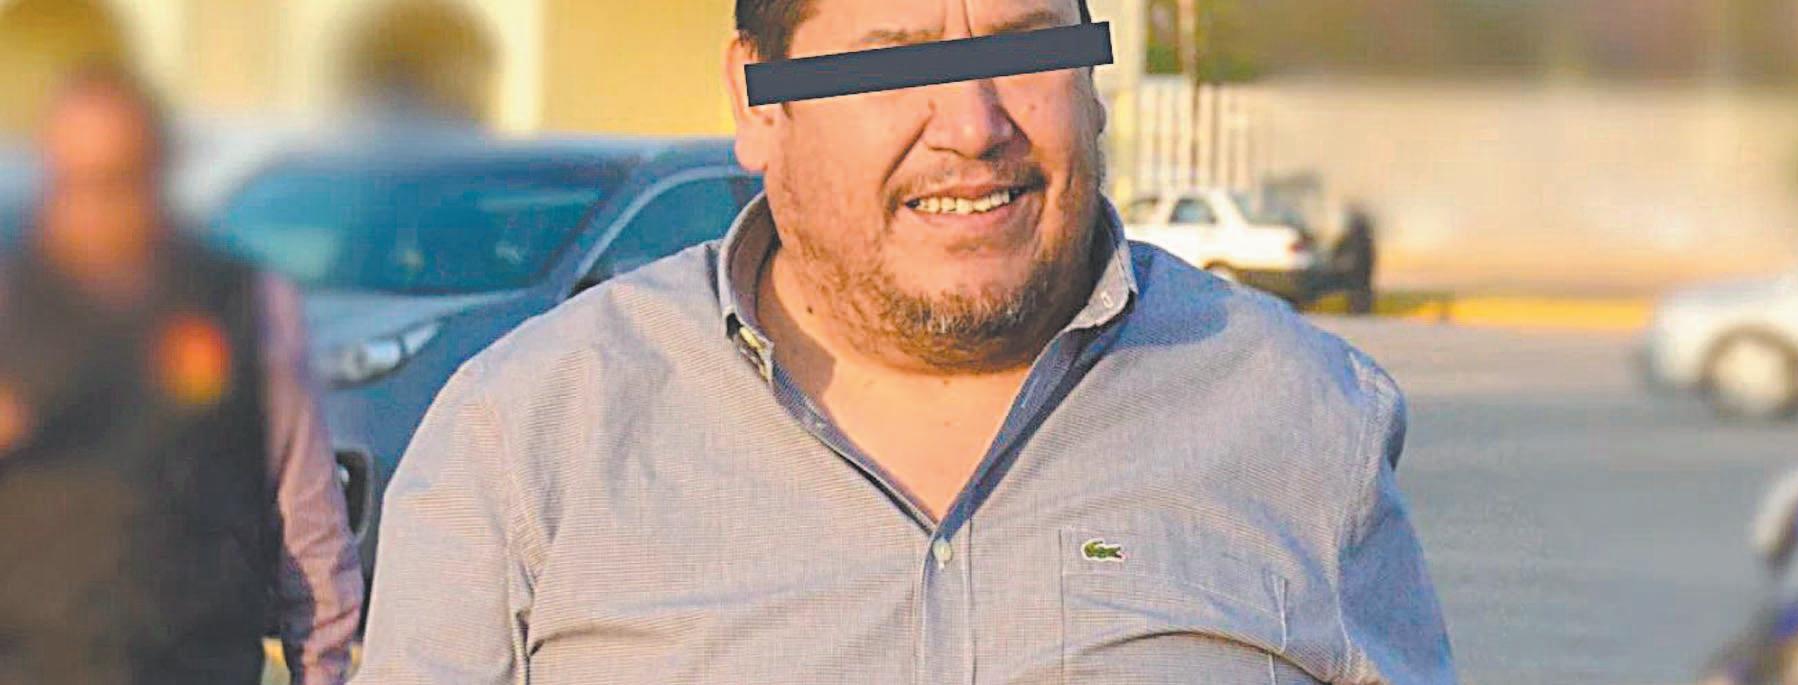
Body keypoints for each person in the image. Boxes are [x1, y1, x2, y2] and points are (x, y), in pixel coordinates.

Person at [356, 0, 1455, 682]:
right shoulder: (527, 439)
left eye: (1027, 46)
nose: (972, 127)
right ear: (758, 100)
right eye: (891, 60)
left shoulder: (1299, 415)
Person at [0, 65, 363, 683]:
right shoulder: (12, 308)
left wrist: (321, 672)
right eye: (73, 183)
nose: (93, 209)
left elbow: (310, 528)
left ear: (156, 176)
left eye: (116, 181)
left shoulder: (242, 307)